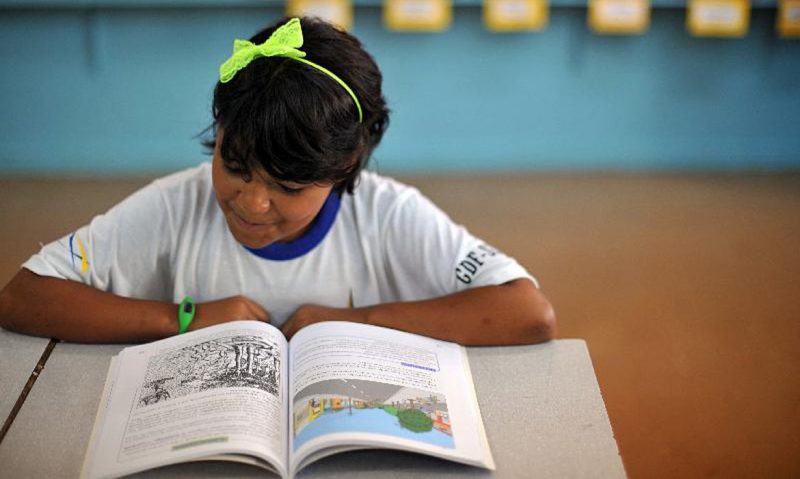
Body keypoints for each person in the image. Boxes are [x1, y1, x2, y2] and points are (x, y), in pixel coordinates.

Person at [0, 16, 555, 345]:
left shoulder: (388, 215)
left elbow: (528, 313)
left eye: (289, 188)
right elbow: (23, 297)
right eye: (235, 166)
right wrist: (182, 318)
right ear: (218, 133)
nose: (252, 203)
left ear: (343, 171)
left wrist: (352, 322)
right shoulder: (177, 206)